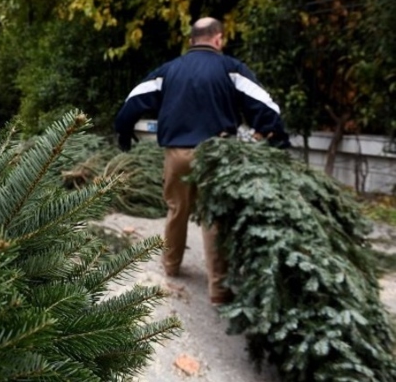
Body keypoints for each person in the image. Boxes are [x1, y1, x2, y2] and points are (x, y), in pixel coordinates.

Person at [113, 17, 290, 305]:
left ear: (191, 40)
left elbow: (135, 98)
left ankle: (171, 266)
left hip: (178, 155)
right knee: (214, 217)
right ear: (218, 39)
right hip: (216, 155)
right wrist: (277, 139)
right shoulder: (231, 69)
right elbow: (266, 106)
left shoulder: (169, 70)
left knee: (176, 209)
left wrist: (123, 130)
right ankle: (219, 290)